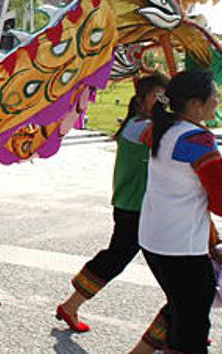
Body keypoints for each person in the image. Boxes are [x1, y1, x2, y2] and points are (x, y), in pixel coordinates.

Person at [57, 74, 169, 332]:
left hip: (147, 208)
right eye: (159, 96)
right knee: (120, 260)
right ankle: (185, 324)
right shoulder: (138, 127)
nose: (164, 102)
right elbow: (168, 136)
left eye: (167, 96)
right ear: (142, 100)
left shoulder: (144, 123)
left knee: (164, 268)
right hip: (134, 208)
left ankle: (185, 323)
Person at [133, 69, 222, 354]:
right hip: (182, 248)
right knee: (192, 327)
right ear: (195, 104)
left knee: (180, 310)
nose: (218, 100)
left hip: (154, 240)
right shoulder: (197, 141)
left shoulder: (159, 130)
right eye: (214, 95)